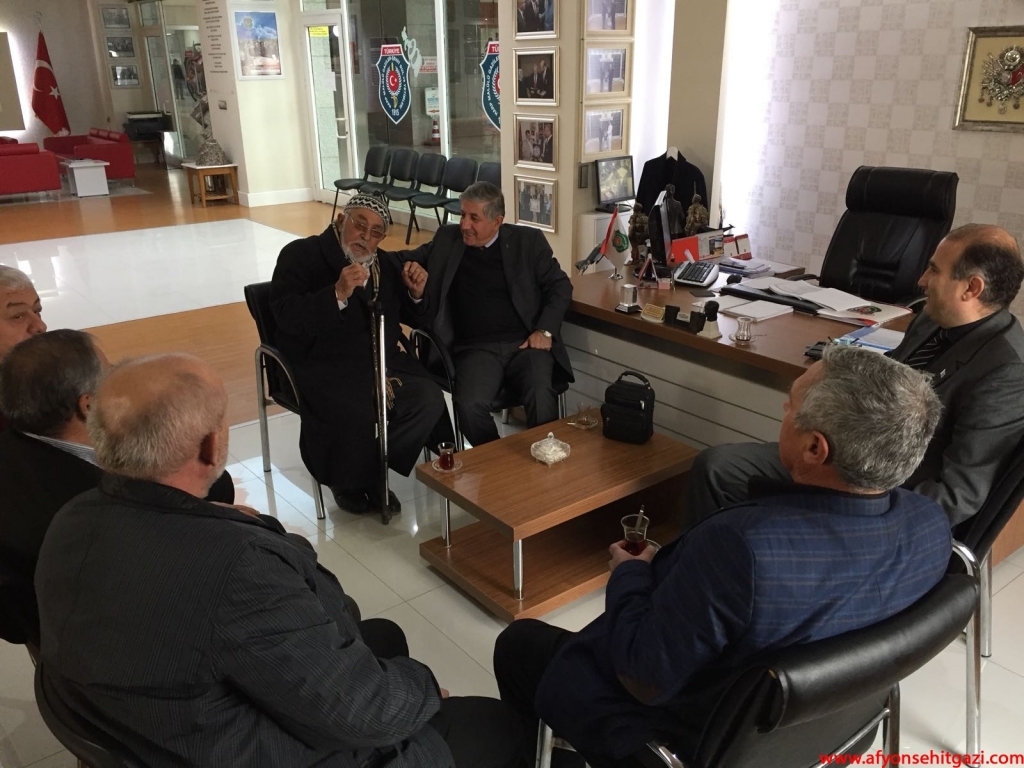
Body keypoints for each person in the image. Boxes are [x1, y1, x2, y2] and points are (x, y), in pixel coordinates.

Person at [34, 353, 525, 767]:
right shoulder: (239, 567)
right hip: (252, 747)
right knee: (495, 725)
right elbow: (366, 713)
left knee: (384, 636)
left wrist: (221, 523)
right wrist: (425, 687)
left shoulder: (72, 518)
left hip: (154, 731)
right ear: (210, 445)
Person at [493, 346, 952, 767]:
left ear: (815, 448)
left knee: (519, 644)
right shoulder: (932, 527)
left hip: (694, 737)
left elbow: (642, 676)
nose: (783, 411)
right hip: (828, 734)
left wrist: (631, 574)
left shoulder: (743, 551)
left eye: (790, 406)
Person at [685, 223, 1024, 528]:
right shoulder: (931, 319)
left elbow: (958, 495)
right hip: (843, 458)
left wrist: (867, 517)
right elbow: (882, 384)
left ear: (971, 288)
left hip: (884, 497)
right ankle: (706, 564)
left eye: (934, 270)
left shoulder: (1006, 371)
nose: (921, 280)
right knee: (718, 468)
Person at [0, 330, 235, 647]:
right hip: (133, 637)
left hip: (47, 637)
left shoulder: (14, 448)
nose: (117, 376)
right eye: (110, 372)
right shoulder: (106, 503)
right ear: (88, 406)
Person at [270, 194, 450, 515]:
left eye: (376, 231)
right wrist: (336, 293)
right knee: (356, 409)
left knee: (428, 398)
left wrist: (417, 293)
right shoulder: (300, 255)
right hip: (325, 364)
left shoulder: (387, 266)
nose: (366, 237)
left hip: (384, 362)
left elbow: (415, 317)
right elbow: (285, 316)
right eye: (360, 225)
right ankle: (350, 480)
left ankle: (371, 470)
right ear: (342, 220)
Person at [402, 182, 573, 447]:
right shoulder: (447, 239)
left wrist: (545, 330)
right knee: (469, 406)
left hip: (525, 344)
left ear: (497, 221)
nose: (464, 225)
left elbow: (560, 286)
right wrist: (367, 255)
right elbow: (406, 259)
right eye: (462, 215)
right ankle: (497, 461)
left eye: (474, 218)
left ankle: (545, 459)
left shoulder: (527, 242)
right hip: (475, 350)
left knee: (541, 395)